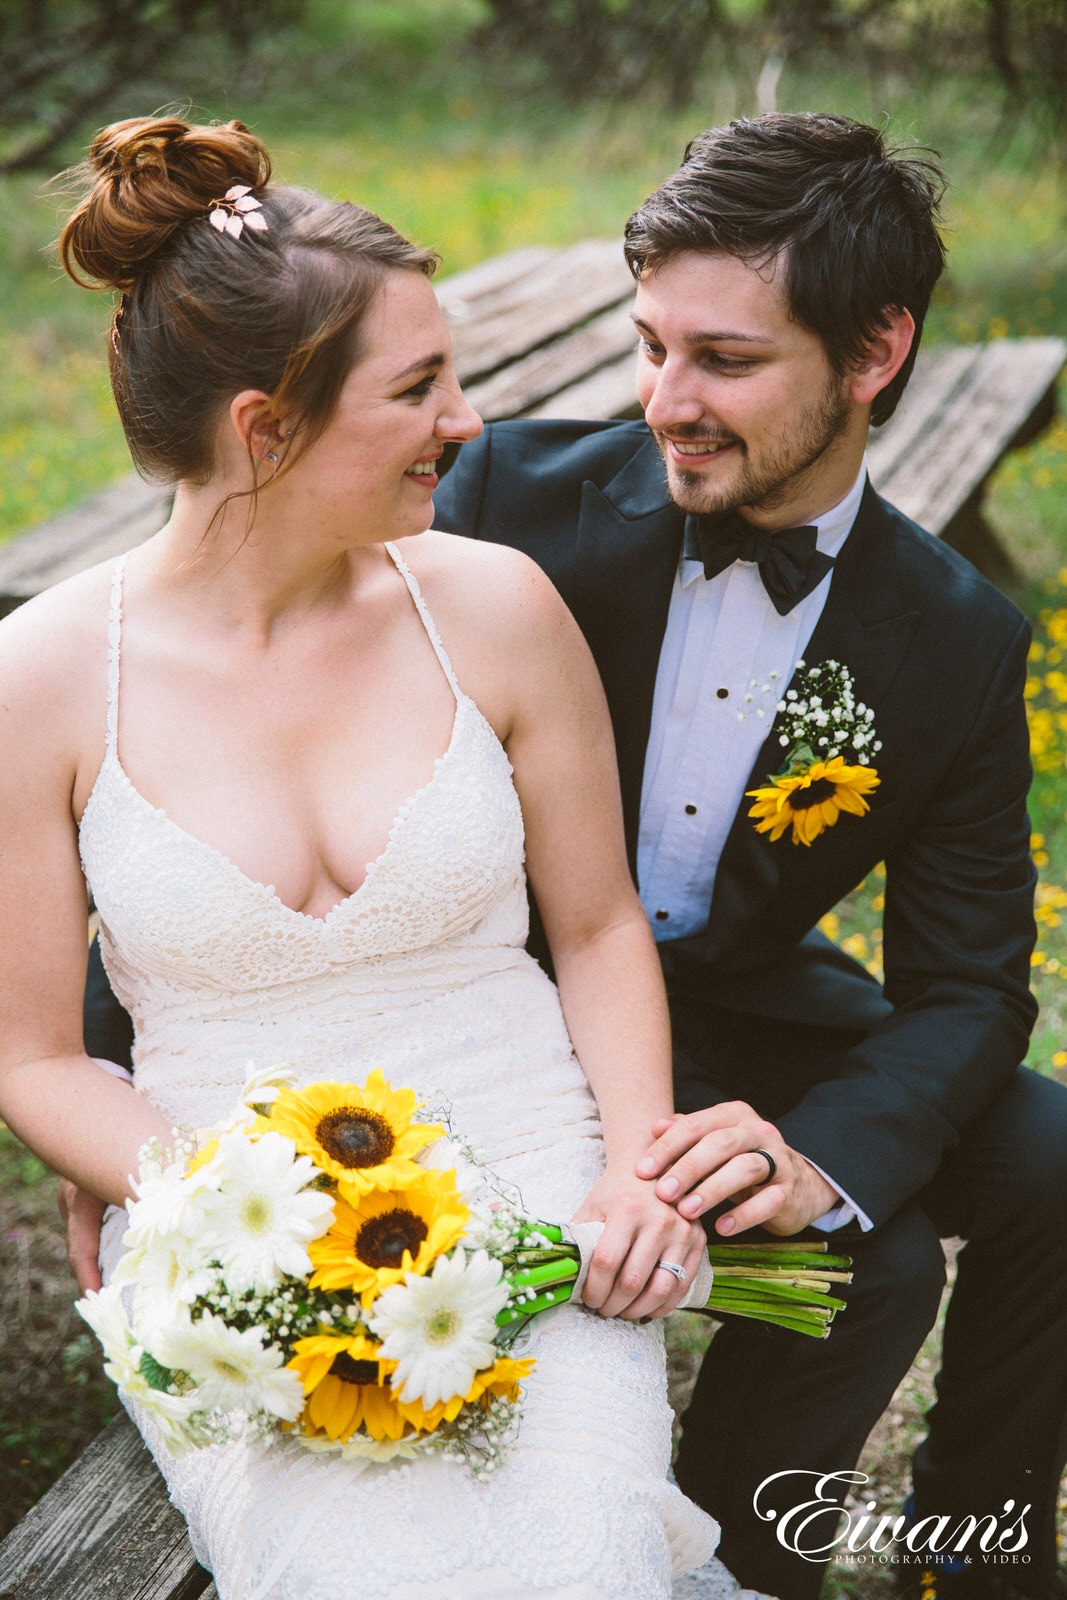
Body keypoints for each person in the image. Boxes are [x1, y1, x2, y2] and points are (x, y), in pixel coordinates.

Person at [0, 115, 719, 1599]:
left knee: (579, 1562)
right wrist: (220, 1212)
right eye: (419, 388)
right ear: (265, 428)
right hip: (238, 1252)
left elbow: (593, 928)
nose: (471, 421)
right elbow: (32, 1058)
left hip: (537, 1196)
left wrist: (633, 1177)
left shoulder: (499, 608)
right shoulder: (48, 677)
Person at [427, 115, 1066, 1600]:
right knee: (882, 1264)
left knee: (1049, 1155)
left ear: (875, 351)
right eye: (652, 346)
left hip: (738, 993)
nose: (667, 401)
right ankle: (713, 1563)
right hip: (518, 998)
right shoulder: (512, 509)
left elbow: (972, 986)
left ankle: (978, 1562)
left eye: (723, 359)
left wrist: (821, 1155)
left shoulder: (958, 638)